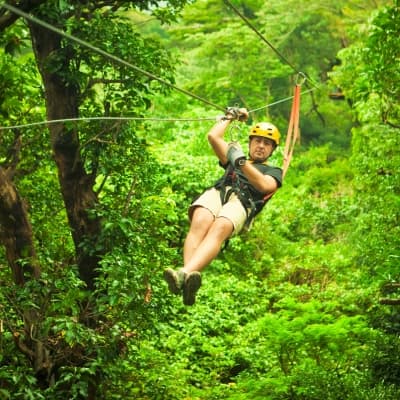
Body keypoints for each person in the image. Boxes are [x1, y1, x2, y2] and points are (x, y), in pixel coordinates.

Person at [164, 107, 283, 305]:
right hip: (221, 191)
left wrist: (241, 161)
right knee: (200, 219)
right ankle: (187, 281)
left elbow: (264, 185)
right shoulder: (234, 157)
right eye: (258, 141)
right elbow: (213, 136)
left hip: (243, 202)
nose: (261, 146)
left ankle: (184, 273)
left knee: (219, 228)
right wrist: (230, 117)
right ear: (250, 142)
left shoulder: (273, 170)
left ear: (272, 149)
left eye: (267, 143)